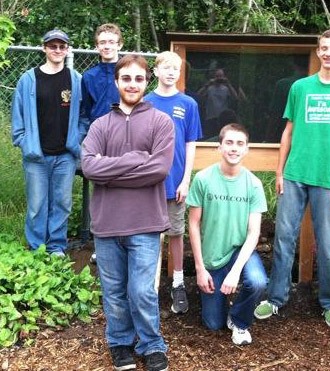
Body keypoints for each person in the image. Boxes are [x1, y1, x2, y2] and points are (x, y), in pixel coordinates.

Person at [254, 29, 330, 328]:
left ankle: (329, 301)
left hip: (329, 179)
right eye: (324, 48)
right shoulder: (301, 88)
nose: (329, 53)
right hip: (294, 175)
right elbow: (288, 132)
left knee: (328, 245)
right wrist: (280, 172)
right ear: (318, 51)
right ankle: (276, 298)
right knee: (283, 240)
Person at [81, 54, 174, 371]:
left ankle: (152, 345)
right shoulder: (100, 125)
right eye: (126, 78)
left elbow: (158, 169)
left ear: (145, 81)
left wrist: (111, 171)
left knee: (141, 291)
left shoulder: (161, 122)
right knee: (114, 293)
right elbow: (89, 167)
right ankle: (120, 343)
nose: (132, 84)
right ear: (117, 81)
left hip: (145, 224)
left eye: (138, 78)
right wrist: (136, 158)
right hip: (107, 224)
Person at [186, 123, 268, 345]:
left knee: (258, 281)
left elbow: (254, 233)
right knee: (213, 324)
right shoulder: (203, 179)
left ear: (247, 149)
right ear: (219, 147)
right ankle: (219, 301)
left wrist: (236, 273)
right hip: (212, 255)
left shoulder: (253, 184)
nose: (234, 148)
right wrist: (200, 269)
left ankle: (240, 320)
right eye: (229, 143)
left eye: (240, 143)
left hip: (239, 250)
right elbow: (193, 224)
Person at [11, 29, 84, 257]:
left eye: (62, 46)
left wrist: (77, 137)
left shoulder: (76, 80)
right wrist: (23, 141)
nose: (58, 50)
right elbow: (18, 115)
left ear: (68, 50)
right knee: (36, 205)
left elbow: (84, 115)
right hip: (36, 155)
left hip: (66, 154)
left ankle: (56, 247)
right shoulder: (28, 79)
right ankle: (36, 248)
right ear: (44, 48)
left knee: (62, 204)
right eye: (53, 46)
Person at [144, 51, 202, 315]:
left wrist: (186, 179)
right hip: (149, 184)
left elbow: (190, 143)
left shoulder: (188, 104)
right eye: (166, 68)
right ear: (155, 71)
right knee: (148, 235)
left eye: (175, 69)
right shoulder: (145, 102)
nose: (170, 73)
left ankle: (178, 283)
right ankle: (149, 286)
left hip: (175, 183)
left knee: (176, 233)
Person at [80, 23, 123, 263]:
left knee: (125, 189)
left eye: (111, 41)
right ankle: (101, 245)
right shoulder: (89, 76)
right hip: (99, 139)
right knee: (101, 193)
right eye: (102, 42)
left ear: (119, 44)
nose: (107, 46)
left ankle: (124, 241)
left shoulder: (128, 70)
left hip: (127, 137)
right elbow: (85, 111)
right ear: (97, 46)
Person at [198, 68, 238, 139]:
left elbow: (236, 98)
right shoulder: (210, 88)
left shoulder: (226, 89)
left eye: (221, 76)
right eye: (217, 76)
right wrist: (207, 85)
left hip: (223, 119)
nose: (219, 78)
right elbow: (198, 95)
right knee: (210, 137)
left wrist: (228, 84)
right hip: (211, 118)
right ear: (213, 77)